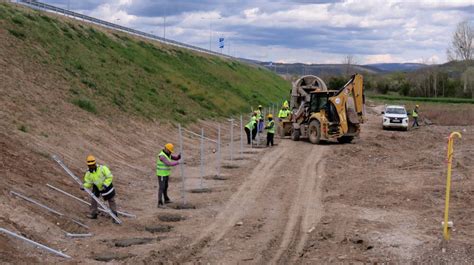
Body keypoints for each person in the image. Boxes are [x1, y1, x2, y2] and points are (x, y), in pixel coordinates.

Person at [83, 155, 118, 222]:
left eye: (92, 165)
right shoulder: (88, 173)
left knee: (111, 200)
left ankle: (114, 215)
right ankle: (94, 214)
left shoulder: (103, 168)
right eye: (89, 166)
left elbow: (109, 176)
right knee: (94, 199)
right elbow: (88, 182)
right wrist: (84, 186)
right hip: (96, 186)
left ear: (95, 164)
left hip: (106, 185)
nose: (91, 167)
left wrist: (105, 184)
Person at [156, 143, 181, 208]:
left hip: (166, 173)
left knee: (166, 186)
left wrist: (179, 157)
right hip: (161, 174)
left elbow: (175, 158)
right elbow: (168, 163)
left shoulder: (167, 154)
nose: (170, 152)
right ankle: (159, 203)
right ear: (166, 149)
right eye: (169, 150)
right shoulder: (162, 156)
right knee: (161, 187)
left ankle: (166, 199)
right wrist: (178, 162)